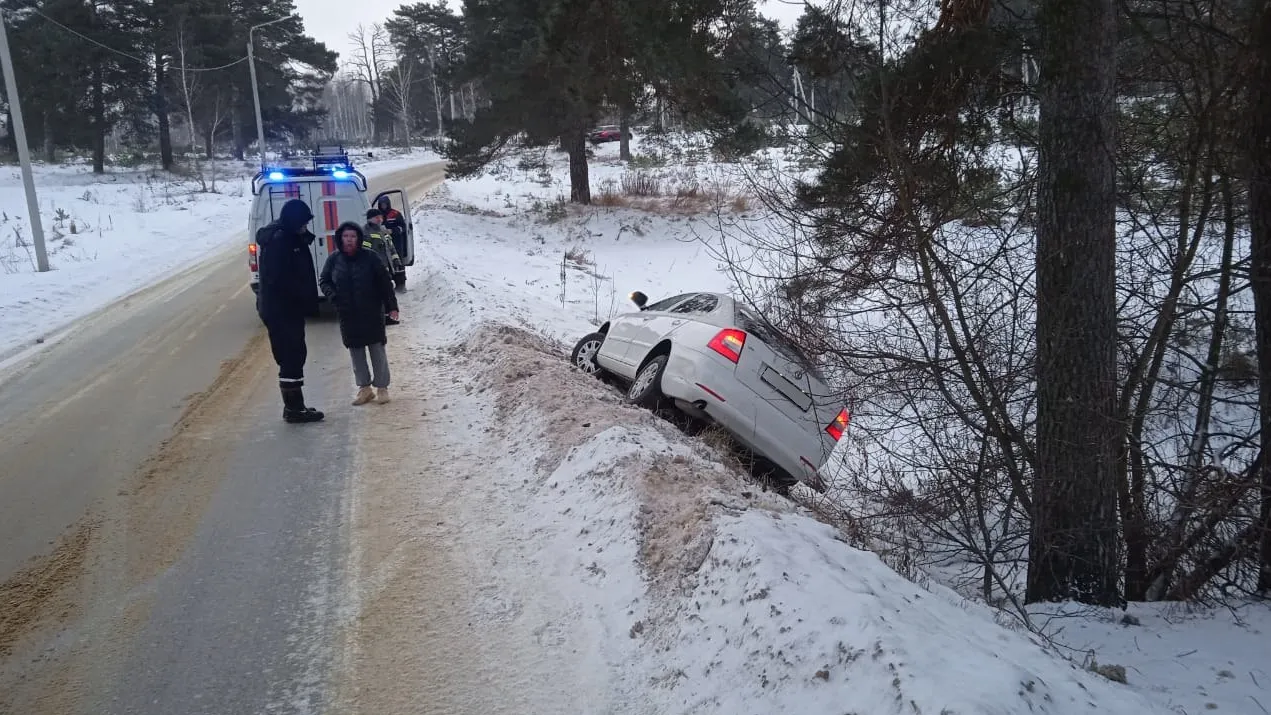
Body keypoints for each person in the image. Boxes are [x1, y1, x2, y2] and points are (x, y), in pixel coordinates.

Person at [256, 198, 324, 424]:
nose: (306, 226)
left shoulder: (288, 237)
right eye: (303, 222)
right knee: (291, 356)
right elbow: (278, 279)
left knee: (294, 354)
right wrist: (297, 296)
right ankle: (294, 408)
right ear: (294, 221)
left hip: (286, 308)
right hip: (281, 309)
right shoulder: (279, 241)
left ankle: (296, 405)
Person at [320, 221, 400, 406]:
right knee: (356, 351)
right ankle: (365, 389)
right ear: (340, 238)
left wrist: (392, 306)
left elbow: (384, 283)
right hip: (347, 313)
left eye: (352, 236)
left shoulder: (370, 257)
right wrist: (334, 296)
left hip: (371, 311)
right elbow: (324, 280)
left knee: (377, 349)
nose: (349, 240)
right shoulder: (334, 259)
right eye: (345, 236)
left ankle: (382, 388)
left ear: (358, 238)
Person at [364, 208, 405, 322]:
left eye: (380, 217)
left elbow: (391, 248)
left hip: (386, 268)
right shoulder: (366, 232)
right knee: (379, 294)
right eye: (376, 217)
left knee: (387, 292)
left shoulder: (383, 230)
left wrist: (396, 261)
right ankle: (380, 317)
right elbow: (365, 252)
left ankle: (387, 315)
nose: (379, 219)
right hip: (375, 270)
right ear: (370, 219)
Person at [375, 195, 408, 262]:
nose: (383, 206)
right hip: (382, 243)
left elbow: (403, 227)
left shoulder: (396, 214)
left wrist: (392, 230)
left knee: (398, 261)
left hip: (396, 242)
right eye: (381, 204)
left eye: (384, 204)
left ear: (388, 204)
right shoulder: (376, 215)